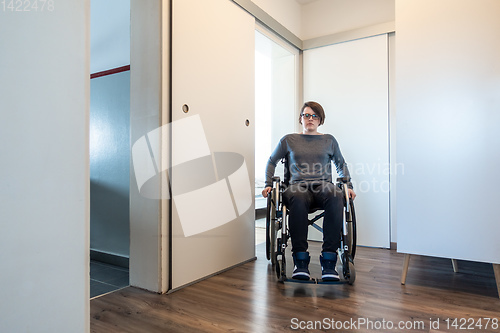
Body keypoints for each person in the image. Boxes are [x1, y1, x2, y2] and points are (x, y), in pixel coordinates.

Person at [262, 101, 356, 281]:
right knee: (297, 196)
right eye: (306, 115)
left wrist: (348, 186)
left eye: (315, 116)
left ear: (320, 120)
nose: (310, 119)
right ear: (300, 119)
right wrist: (268, 183)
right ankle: (300, 260)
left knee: (336, 195)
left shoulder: (329, 140)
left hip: (323, 186)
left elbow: (340, 164)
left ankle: (329, 260)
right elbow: (271, 162)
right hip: (297, 187)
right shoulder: (289, 140)